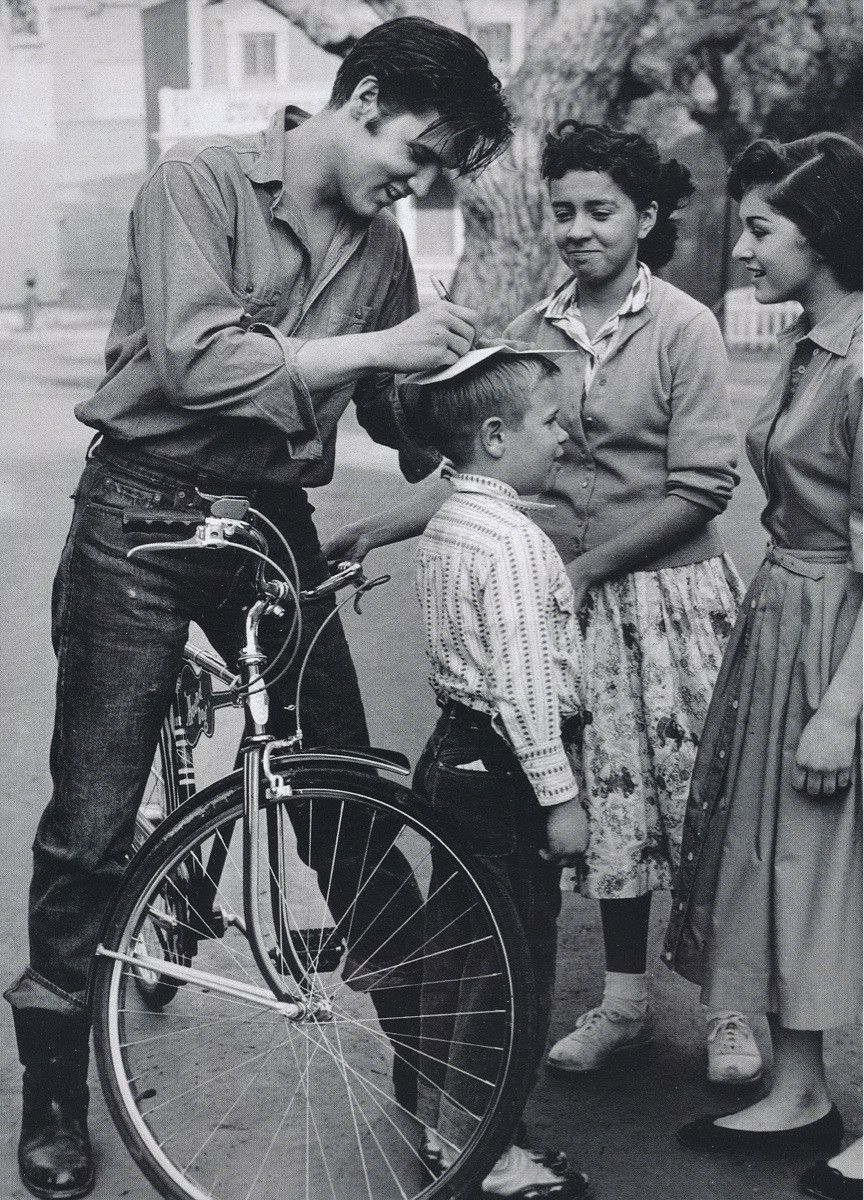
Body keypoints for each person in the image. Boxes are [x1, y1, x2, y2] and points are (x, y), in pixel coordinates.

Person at [4, 18, 512, 1200]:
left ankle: (425, 1076)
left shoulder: (383, 248)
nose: (418, 183)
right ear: (365, 95)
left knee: (338, 781)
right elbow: (197, 360)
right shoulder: (198, 182)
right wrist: (380, 341)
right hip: (137, 511)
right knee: (89, 816)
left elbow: (385, 411)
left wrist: (461, 381)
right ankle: (54, 1098)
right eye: (421, 151)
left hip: (268, 512)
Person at [330, 121, 759, 1085]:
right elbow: (475, 469)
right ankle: (625, 1001)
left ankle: (733, 1008)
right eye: (562, 209)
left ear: (646, 218)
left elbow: (703, 487)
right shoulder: (530, 330)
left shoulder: (685, 325)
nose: (578, 229)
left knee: (698, 808)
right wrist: (375, 527)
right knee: (606, 810)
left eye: (600, 211)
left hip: (668, 601)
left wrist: (593, 566)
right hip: (564, 608)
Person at [665, 134, 862, 1196]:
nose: (741, 248)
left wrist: (841, 710)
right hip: (787, 612)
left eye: (759, 229)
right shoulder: (809, 338)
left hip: (843, 634)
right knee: (784, 862)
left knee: (845, 874)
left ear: (821, 232)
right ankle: (799, 1090)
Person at [405, 346, 590, 1199]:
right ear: (492, 435)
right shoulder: (513, 542)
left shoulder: (450, 523)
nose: (564, 436)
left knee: (459, 949)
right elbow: (523, 692)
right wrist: (560, 798)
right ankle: (485, 1148)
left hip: (455, 757)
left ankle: (449, 1124)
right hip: (507, 772)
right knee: (512, 961)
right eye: (550, 422)